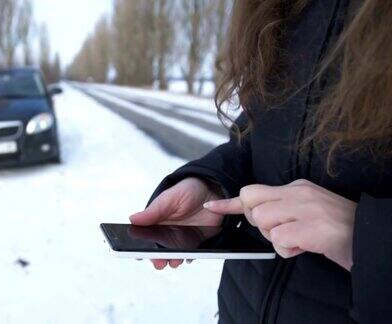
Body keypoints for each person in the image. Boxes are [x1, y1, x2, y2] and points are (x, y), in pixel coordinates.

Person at [129, 1, 392, 323]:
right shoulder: (282, 7)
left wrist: (364, 239)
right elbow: (257, 135)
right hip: (239, 308)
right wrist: (214, 183)